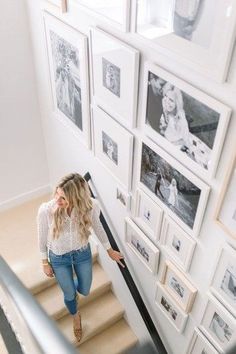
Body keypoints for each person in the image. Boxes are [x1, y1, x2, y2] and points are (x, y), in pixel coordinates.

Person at [37, 173, 124, 343]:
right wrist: (44, 262)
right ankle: (75, 316)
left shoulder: (91, 207)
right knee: (69, 293)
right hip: (58, 257)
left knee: (84, 289)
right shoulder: (46, 211)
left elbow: (98, 227)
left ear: (76, 197)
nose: (57, 200)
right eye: (57, 193)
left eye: (63, 197)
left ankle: (72, 290)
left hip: (82, 253)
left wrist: (109, 250)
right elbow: (41, 238)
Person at [160, 82, 190, 149]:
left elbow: (184, 140)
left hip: (175, 145)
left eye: (171, 100)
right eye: (166, 96)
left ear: (177, 103)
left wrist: (169, 144)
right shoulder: (166, 110)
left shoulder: (180, 119)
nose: (167, 101)